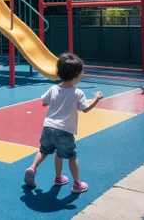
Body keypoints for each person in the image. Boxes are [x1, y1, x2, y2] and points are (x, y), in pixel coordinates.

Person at [24, 53, 103, 194]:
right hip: (65, 131)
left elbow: (45, 101)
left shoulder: (53, 89)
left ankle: (35, 168)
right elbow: (85, 109)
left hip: (48, 128)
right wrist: (96, 99)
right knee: (71, 157)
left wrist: (47, 104)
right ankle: (77, 184)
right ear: (77, 75)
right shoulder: (78, 93)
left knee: (44, 151)